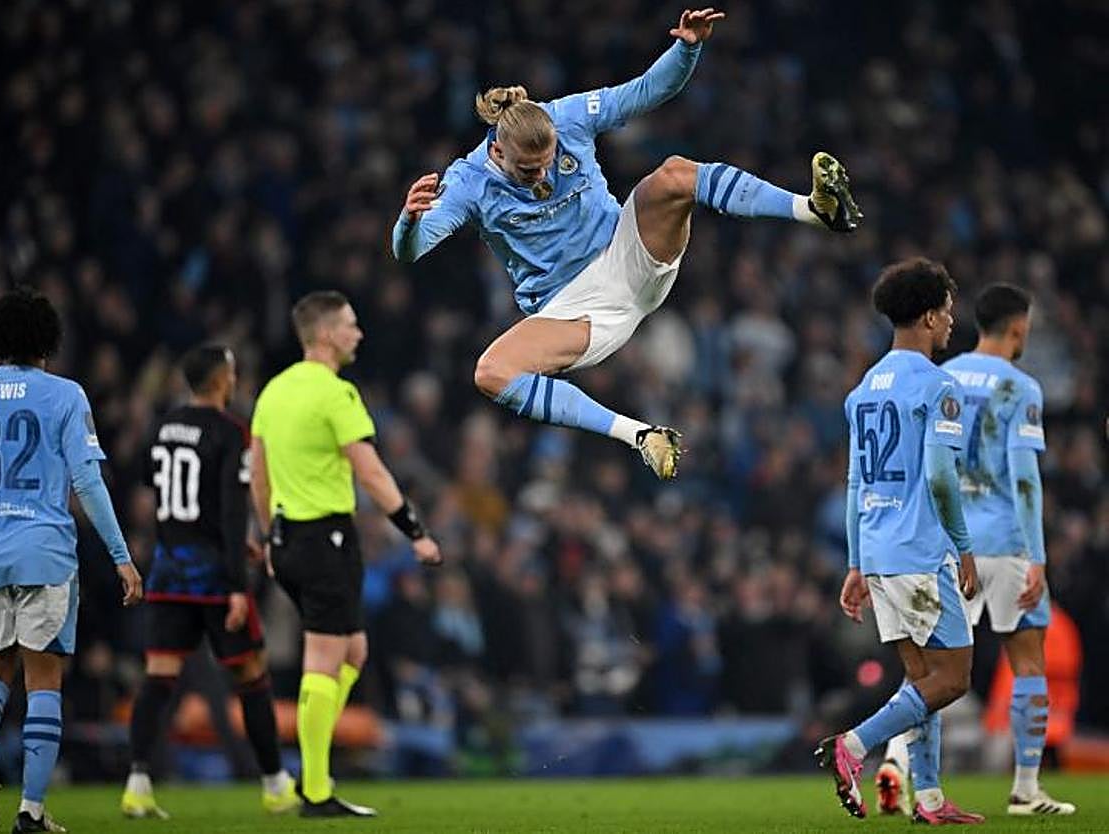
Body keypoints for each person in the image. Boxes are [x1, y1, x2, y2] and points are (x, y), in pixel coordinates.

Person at [393, 7, 860, 480]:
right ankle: (641, 435)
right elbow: (410, 249)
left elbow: (647, 91)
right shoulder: (469, 183)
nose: (543, 177)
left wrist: (688, 48)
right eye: (529, 171)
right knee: (490, 372)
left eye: (549, 161)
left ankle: (813, 209)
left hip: (626, 252)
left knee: (675, 175)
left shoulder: (568, 118)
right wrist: (409, 221)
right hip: (572, 308)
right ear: (497, 151)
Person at [0, 287, 144, 834]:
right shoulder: (65, 395)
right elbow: (88, 482)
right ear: (49, 340)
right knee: (43, 682)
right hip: (43, 552)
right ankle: (31, 811)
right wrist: (121, 555)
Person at [878, 285, 1076, 817]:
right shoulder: (1021, 388)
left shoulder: (944, 376)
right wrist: (1037, 554)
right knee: (1027, 660)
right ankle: (1026, 789)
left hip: (948, 543)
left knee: (929, 670)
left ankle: (896, 761)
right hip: (1008, 542)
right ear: (1019, 329)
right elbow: (1025, 477)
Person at [250, 291, 443, 818]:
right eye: (351, 325)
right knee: (324, 660)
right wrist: (415, 531)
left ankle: (313, 768)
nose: (359, 334)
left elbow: (259, 475)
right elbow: (372, 472)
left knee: (354, 653)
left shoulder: (273, 392)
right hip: (324, 540)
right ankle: (315, 788)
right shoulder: (337, 395)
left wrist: (269, 537)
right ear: (329, 333)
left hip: (288, 538)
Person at [816, 258, 983, 825]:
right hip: (920, 551)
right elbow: (940, 476)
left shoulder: (862, 391)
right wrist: (963, 545)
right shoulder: (940, 385)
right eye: (949, 314)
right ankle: (854, 747)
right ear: (931, 316)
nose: (952, 325)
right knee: (953, 680)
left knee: (922, 682)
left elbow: (856, 481)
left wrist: (856, 563)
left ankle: (929, 800)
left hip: (881, 552)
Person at [120, 345, 298, 819]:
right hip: (215, 577)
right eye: (234, 374)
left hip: (168, 569)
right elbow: (230, 507)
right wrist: (239, 584)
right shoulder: (230, 431)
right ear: (222, 380)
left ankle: (137, 783)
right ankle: (275, 783)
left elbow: (161, 493)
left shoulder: (162, 428)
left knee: (159, 676)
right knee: (250, 673)